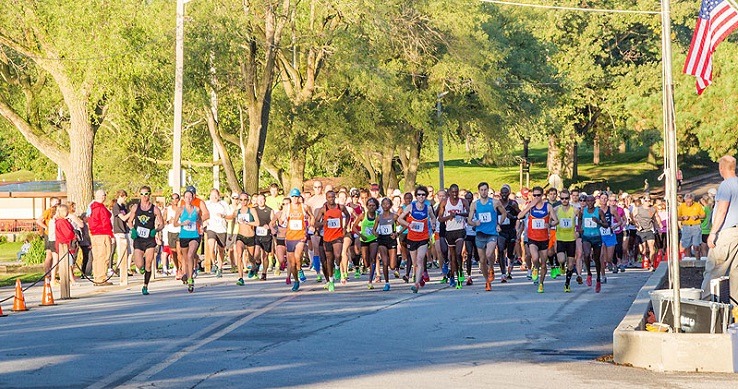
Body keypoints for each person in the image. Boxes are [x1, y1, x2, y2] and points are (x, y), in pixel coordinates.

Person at [702, 156, 738, 303]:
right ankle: (735, 314)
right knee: (736, 274)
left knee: (714, 271)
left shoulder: (725, 185)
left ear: (722, 168)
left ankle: (703, 308)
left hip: (727, 233)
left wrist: (712, 233)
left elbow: (721, 211)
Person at [468, 182, 507, 292]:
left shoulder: (494, 202)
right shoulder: (475, 204)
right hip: (480, 234)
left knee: (489, 254)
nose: (484, 192)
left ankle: (491, 268)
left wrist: (499, 224)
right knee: (482, 260)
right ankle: (487, 281)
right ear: (479, 191)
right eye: (482, 190)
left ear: (488, 190)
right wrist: (475, 223)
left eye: (485, 190)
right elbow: (469, 220)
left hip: (492, 233)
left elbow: (504, 213)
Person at [518, 186, 558, 293]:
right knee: (535, 258)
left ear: (542, 196)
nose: (536, 197)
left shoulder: (548, 207)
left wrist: (549, 224)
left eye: (538, 195)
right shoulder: (530, 206)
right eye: (534, 195)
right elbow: (519, 216)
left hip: (544, 238)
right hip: (532, 237)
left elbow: (556, 221)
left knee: (544, 264)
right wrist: (529, 206)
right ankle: (535, 267)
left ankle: (541, 284)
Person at [397, 186, 437, 293]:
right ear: (416, 196)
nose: (421, 197)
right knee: (415, 263)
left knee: (420, 260)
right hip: (412, 238)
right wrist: (408, 224)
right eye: (419, 194)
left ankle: (416, 284)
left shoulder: (428, 208)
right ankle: (420, 277)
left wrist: (433, 225)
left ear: (426, 196)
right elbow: (400, 218)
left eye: (423, 195)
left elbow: (433, 217)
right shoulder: (411, 206)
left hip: (423, 237)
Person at [128, 186, 164, 295]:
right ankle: (142, 269)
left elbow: (162, 224)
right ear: (140, 195)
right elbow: (129, 222)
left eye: (146, 194)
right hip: (139, 239)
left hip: (149, 240)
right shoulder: (135, 207)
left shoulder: (155, 209)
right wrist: (132, 230)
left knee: (148, 264)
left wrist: (156, 230)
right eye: (142, 194)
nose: (144, 197)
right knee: (139, 264)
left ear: (150, 195)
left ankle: (145, 286)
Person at [314, 190, 351, 291]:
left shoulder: (341, 207)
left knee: (338, 254)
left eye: (333, 197)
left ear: (335, 197)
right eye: (329, 197)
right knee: (329, 260)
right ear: (326, 198)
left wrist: (345, 227)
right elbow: (315, 223)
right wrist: (323, 223)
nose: (331, 199)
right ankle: (331, 281)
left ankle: (338, 267)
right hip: (327, 237)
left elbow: (348, 215)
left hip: (338, 235)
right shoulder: (323, 209)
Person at [437, 184, 469, 289]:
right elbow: (440, 218)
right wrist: (449, 216)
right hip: (449, 231)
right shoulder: (444, 202)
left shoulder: (463, 201)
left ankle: (460, 272)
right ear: (449, 192)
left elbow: (469, 213)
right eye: (453, 192)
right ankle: (453, 275)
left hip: (460, 230)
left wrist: (460, 214)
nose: (454, 194)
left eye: (456, 192)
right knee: (453, 256)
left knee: (459, 252)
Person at [284, 188, 313, 291]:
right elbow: (282, 219)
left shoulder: (304, 207)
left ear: (299, 197)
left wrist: (310, 226)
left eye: (296, 196)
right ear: (290, 197)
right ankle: (296, 281)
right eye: (293, 196)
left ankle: (300, 270)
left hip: (300, 236)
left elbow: (311, 217)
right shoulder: (287, 208)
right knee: (291, 264)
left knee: (297, 256)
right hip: (290, 237)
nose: (295, 198)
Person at [174, 189, 202, 293]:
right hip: (184, 236)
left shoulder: (197, 209)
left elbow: (199, 219)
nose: (188, 199)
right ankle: (187, 273)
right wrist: (183, 224)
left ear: (193, 198)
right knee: (185, 258)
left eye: (190, 197)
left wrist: (202, 227)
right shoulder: (180, 209)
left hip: (194, 235)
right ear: (184, 199)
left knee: (191, 255)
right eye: (186, 197)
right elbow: (175, 223)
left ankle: (190, 279)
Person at [579, 195, 609, 293]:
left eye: (592, 201)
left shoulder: (599, 211)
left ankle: (598, 279)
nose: (590, 203)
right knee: (586, 255)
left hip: (596, 238)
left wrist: (598, 222)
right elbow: (579, 219)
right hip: (586, 237)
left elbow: (606, 225)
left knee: (597, 259)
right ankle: (589, 273)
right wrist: (580, 228)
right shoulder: (583, 211)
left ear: (594, 202)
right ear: (586, 202)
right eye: (588, 201)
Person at [232, 193, 260, 285]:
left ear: (248, 201)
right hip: (240, 236)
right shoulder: (237, 211)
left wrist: (248, 223)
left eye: (245, 200)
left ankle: (254, 267)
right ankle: (240, 278)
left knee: (251, 258)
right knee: (239, 255)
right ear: (239, 201)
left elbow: (257, 223)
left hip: (250, 236)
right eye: (241, 200)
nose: (243, 202)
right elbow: (232, 219)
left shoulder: (251, 210)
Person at [555, 190, 579, 292]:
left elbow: (579, 221)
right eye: (562, 198)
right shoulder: (556, 209)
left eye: (566, 198)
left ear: (569, 199)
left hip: (571, 239)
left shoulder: (575, 210)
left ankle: (567, 283)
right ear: (560, 199)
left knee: (570, 264)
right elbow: (550, 219)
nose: (564, 200)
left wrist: (577, 231)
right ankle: (561, 265)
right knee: (561, 259)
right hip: (560, 237)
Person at [88, 190, 113, 286]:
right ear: (102, 197)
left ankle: (97, 277)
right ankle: (101, 278)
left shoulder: (91, 207)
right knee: (104, 255)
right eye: (105, 195)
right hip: (102, 233)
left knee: (97, 257)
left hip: (94, 234)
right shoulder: (100, 208)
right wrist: (111, 234)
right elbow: (105, 222)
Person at [353, 198, 380, 289]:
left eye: (373, 205)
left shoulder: (378, 216)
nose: (371, 207)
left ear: (376, 207)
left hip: (374, 239)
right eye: (370, 205)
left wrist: (378, 233)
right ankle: (366, 266)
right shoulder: (362, 216)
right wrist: (360, 234)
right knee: (366, 261)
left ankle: (370, 281)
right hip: (364, 240)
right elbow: (354, 227)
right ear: (367, 206)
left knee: (373, 258)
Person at [373, 197, 399, 291]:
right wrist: (375, 233)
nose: (385, 206)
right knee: (384, 262)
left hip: (391, 239)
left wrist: (397, 233)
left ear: (390, 205)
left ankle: (395, 266)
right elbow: (374, 229)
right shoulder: (379, 217)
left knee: (392, 266)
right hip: (382, 239)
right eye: (383, 204)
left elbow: (403, 225)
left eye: (387, 204)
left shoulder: (394, 216)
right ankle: (387, 282)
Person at [205, 189, 231, 278]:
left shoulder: (224, 204)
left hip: (222, 229)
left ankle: (220, 268)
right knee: (211, 246)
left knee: (221, 250)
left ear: (219, 195)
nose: (214, 197)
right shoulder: (207, 204)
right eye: (212, 195)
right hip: (211, 228)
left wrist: (223, 216)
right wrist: (205, 221)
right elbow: (201, 214)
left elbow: (230, 216)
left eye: (216, 195)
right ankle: (214, 263)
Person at [497, 184, 520, 282]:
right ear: (500, 193)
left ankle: (511, 264)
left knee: (510, 253)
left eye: (506, 193)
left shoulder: (513, 203)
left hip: (511, 230)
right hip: (501, 231)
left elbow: (520, 215)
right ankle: (503, 274)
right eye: (502, 193)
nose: (504, 195)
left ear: (509, 193)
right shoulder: (497, 204)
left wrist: (513, 216)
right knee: (501, 250)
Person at [633, 196, 661, 271]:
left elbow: (656, 217)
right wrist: (636, 224)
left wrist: (659, 224)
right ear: (643, 201)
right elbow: (633, 217)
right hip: (641, 231)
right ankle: (646, 257)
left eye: (649, 200)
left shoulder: (653, 209)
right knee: (643, 250)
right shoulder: (638, 208)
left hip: (649, 230)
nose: (648, 202)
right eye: (646, 201)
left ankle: (652, 264)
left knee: (652, 248)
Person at [36, 197, 59, 283]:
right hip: (49, 234)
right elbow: (38, 220)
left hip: (56, 235)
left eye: (58, 202)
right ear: (51, 202)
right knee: (49, 255)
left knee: (54, 256)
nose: (57, 203)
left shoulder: (58, 211)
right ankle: (47, 274)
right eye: (56, 202)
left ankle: (53, 274)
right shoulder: (48, 211)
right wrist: (46, 227)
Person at [253, 194, 276, 281]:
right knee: (256, 253)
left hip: (266, 235)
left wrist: (269, 226)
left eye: (262, 200)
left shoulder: (269, 210)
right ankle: (258, 262)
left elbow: (273, 222)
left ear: (265, 200)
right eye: (259, 200)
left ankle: (264, 273)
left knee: (265, 255)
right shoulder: (254, 210)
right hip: (257, 234)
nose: (260, 201)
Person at [677, 193, 706, 259]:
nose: (689, 203)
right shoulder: (682, 206)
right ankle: (688, 259)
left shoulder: (697, 205)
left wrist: (697, 216)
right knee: (687, 245)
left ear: (693, 200)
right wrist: (683, 218)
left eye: (690, 202)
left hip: (696, 226)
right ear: (685, 200)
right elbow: (678, 217)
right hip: (686, 226)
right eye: (687, 202)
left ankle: (697, 260)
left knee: (696, 245)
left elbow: (703, 215)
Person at [163, 194, 182, 279]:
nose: (174, 200)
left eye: (176, 198)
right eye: (173, 199)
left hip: (180, 231)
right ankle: (177, 268)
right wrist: (168, 221)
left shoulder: (182, 208)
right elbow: (163, 221)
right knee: (173, 252)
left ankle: (181, 269)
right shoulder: (168, 209)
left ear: (179, 199)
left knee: (179, 251)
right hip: (171, 231)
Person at [699, 194, 714, 259]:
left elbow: (701, 219)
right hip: (710, 229)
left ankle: (705, 259)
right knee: (709, 247)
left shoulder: (704, 210)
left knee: (703, 247)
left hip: (704, 230)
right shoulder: (711, 209)